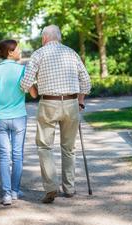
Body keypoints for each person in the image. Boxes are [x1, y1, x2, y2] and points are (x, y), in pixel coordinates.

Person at [21, 24, 91, 204]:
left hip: (48, 103)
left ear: (44, 38)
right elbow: (86, 81)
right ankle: (69, 188)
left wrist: (35, 90)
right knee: (69, 148)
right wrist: (81, 101)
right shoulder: (71, 53)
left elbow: (25, 83)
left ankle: (51, 188)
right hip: (71, 103)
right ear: (59, 37)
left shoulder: (38, 53)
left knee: (45, 146)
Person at [0, 39, 37, 205]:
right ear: (10, 52)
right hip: (19, 117)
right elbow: (33, 94)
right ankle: (14, 191)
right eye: (18, 49)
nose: (20, 52)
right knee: (17, 155)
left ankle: (6, 194)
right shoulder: (23, 70)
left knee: (4, 156)